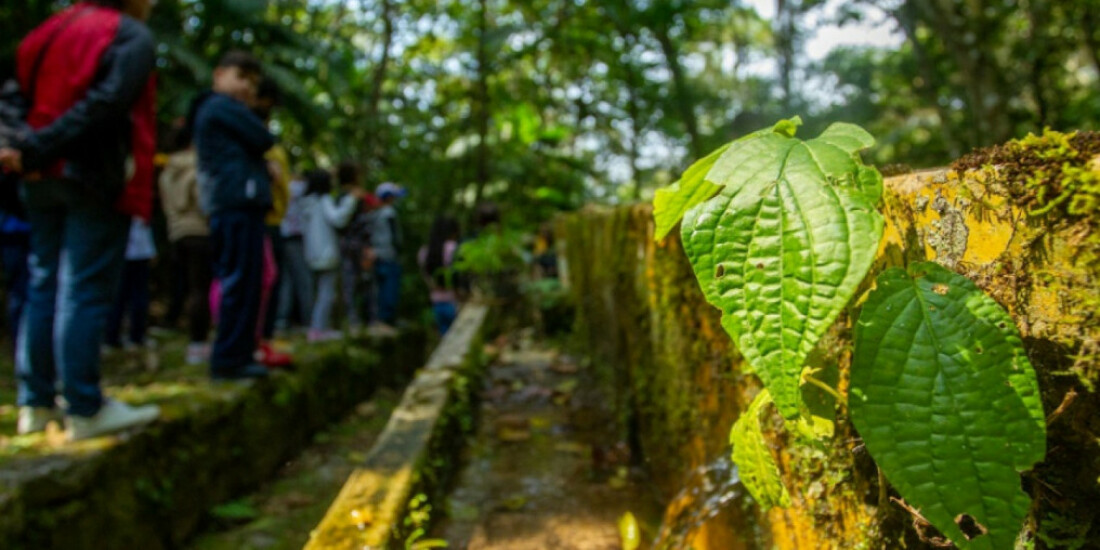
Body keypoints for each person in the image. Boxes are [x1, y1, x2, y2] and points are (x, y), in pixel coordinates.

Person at [0, 0, 161, 440]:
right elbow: (108, 104)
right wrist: (42, 147)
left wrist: (26, 149)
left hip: (38, 177)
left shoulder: (49, 30)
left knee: (44, 282)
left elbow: (11, 99)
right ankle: (84, 405)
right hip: (92, 175)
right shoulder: (129, 34)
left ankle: (36, 403)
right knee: (83, 287)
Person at [191, 51, 273, 380]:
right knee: (239, 281)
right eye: (241, 78)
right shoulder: (220, 106)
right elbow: (263, 138)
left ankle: (238, 354)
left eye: (252, 83)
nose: (247, 88)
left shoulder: (221, 109)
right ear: (219, 75)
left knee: (246, 281)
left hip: (237, 203)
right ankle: (229, 357)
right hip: (235, 204)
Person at [158, 120, 212, 365]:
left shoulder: (167, 170)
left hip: (176, 233)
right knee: (201, 289)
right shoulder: (196, 167)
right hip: (199, 232)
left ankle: (185, 332)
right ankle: (199, 344)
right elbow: (204, 203)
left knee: (187, 287)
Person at [253, 78, 292, 368]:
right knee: (262, 280)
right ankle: (257, 340)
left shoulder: (268, 149)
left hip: (269, 219)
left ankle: (262, 340)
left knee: (268, 278)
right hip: (261, 219)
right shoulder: (264, 150)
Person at [301, 169, 358, 341]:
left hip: (311, 253)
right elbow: (338, 219)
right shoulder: (324, 200)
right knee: (327, 292)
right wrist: (351, 200)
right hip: (326, 252)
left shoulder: (306, 202)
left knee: (317, 291)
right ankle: (318, 330)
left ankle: (317, 327)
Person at [104, 217, 155, 350]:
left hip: (126, 250)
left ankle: (113, 337)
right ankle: (134, 336)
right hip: (138, 250)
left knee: (121, 295)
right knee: (133, 294)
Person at [336, 161, 373, 333]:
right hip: (357, 245)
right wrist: (368, 246)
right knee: (363, 283)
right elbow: (364, 223)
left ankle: (355, 320)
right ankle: (365, 320)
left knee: (351, 284)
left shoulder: (341, 197)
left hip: (347, 245)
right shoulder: (354, 197)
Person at [276, 175, 313, 333]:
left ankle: (282, 319)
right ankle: (308, 318)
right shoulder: (299, 188)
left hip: (282, 235)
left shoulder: (283, 186)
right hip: (296, 237)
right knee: (303, 279)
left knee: (286, 280)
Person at [370, 182, 405, 335]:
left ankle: (381, 318)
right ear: (389, 197)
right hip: (389, 255)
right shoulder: (389, 213)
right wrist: (399, 250)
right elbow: (395, 237)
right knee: (390, 288)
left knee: (380, 288)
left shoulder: (375, 214)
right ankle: (387, 319)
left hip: (378, 254)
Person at [418, 215, 460, 335]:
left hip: (436, 302)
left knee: (444, 336)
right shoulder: (452, 248)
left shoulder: (424, 251)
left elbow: (426, 277)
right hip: (453, 300)